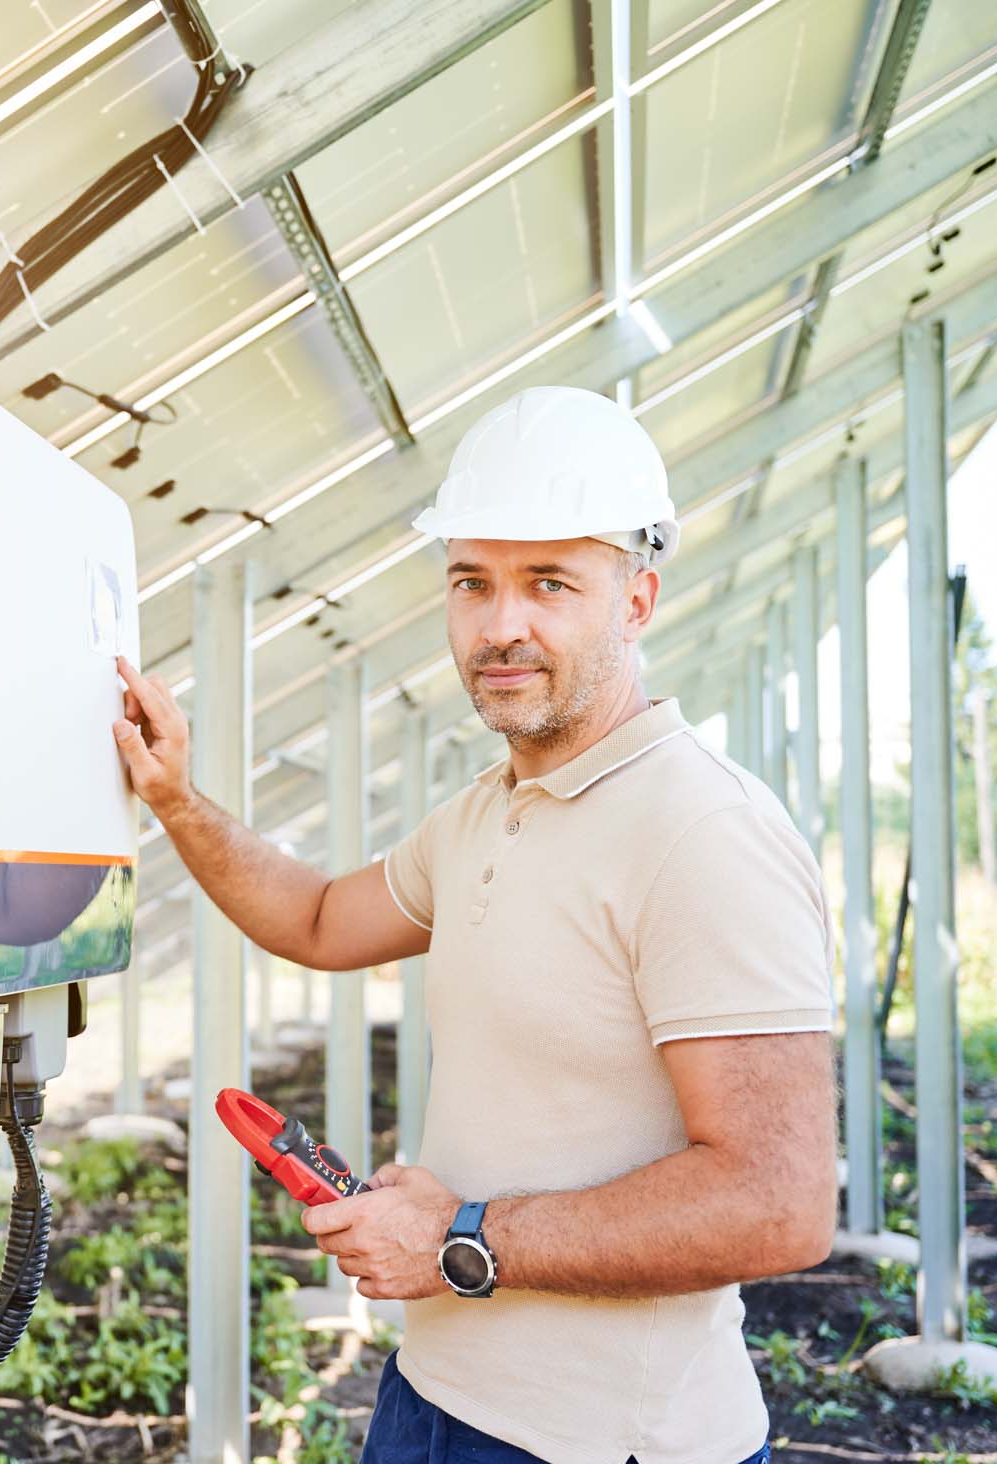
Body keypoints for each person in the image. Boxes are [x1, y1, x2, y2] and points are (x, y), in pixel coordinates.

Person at [110, 386, 835, 1464]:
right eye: (472, 583)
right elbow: (313, 918)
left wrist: (460, 1238)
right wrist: (173, 798)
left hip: (601, 1443)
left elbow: (774, 1203)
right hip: (436, 1394)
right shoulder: (484, 812)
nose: (502, 625)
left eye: (550, 583)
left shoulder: (701, 831)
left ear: (635, 599)